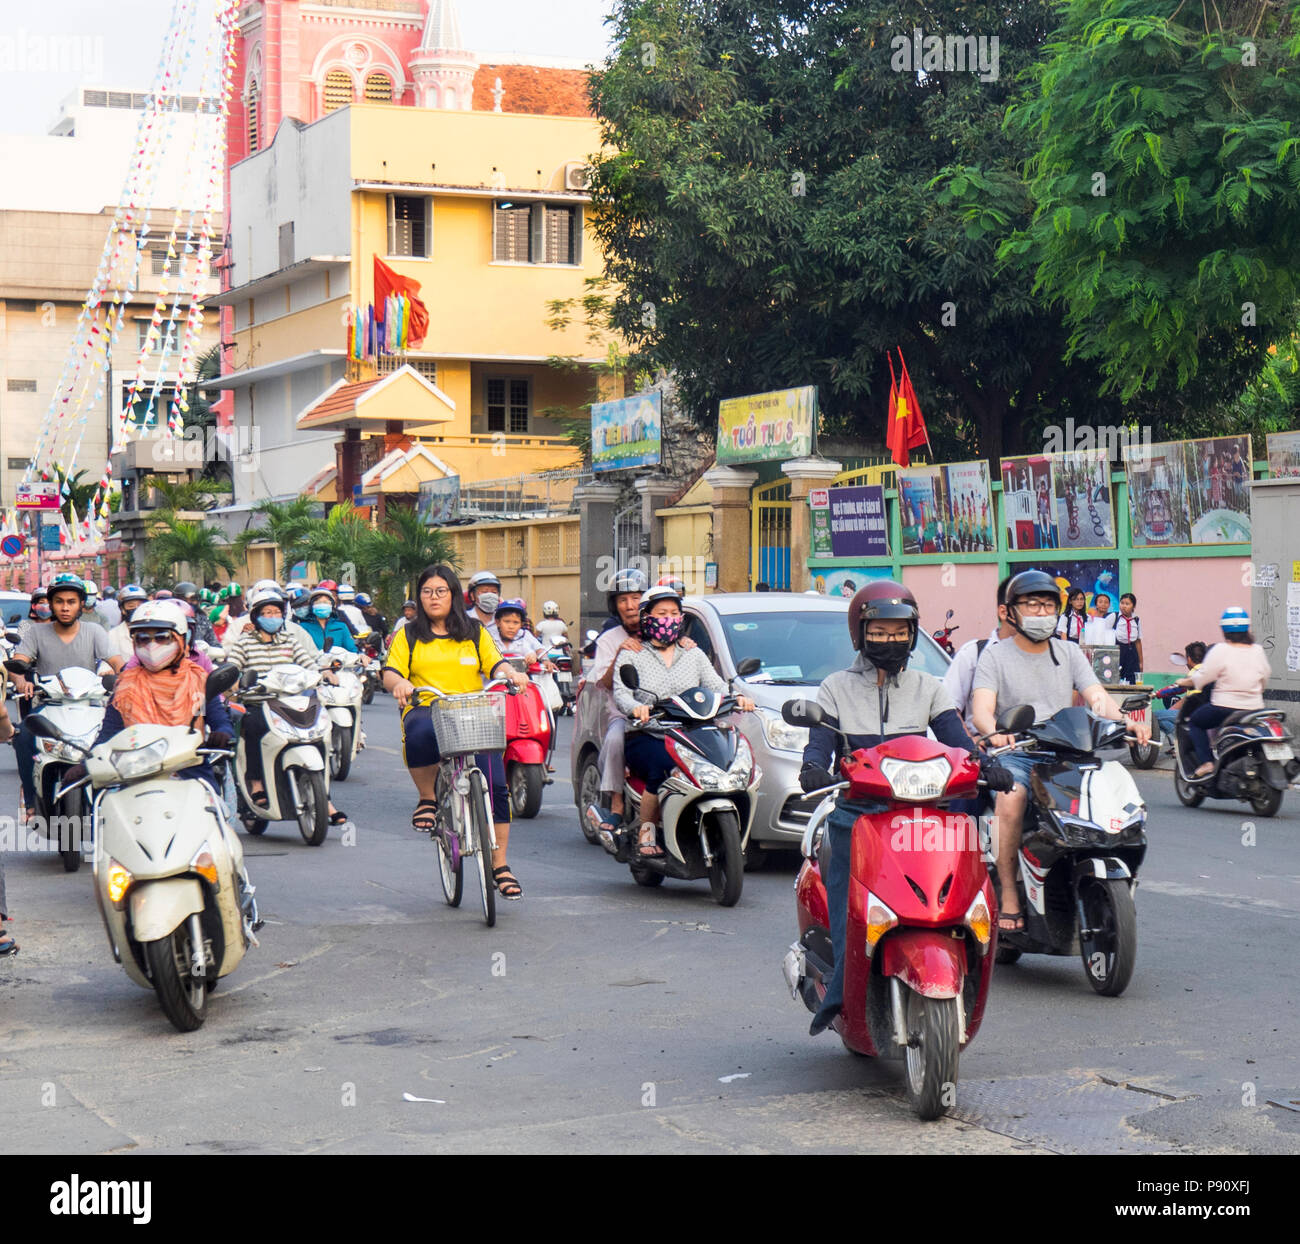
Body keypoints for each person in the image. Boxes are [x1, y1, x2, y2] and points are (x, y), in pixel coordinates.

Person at [797, 580, 980, 1035]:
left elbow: (960, 744)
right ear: (860, 634)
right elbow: (818, 744)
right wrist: (814, 768)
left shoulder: (929, 688)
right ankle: (840, 984)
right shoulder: (835, 689)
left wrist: (987, 765)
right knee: (848, 898)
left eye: (900, 631)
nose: (890, 640)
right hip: (857, 814)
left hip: (920, 814)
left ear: (914, 633)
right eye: (879, 631)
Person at [970, 569, 1149, 933]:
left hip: (1068, 749)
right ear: (1012, 612)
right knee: (1011, 797)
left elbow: (1096, 695)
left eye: (1049, 604)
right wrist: (995, 732)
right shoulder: (994, 656)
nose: (1042, 612)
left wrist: (1126, 721)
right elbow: (981, 710)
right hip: (1018, 751)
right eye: (1033, 604)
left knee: (1112, 790)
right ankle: (1008, 893)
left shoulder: (1068, 652)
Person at [382, 564, 529, 899]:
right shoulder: (408, 633)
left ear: (454, 595)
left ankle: (500, 864)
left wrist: (510, 673)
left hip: (473, 711)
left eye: (441, 591)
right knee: (417, 731)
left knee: (497, 785)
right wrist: (401, 682)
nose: (434, 598)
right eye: (427, 592)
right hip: (428, 707)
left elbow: (496, 663)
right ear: (419, 597)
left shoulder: (474, 630)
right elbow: (389, 671)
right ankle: (427, 799)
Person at [612, 586, 755, 860]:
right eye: (662, 613)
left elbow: (715, 686)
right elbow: (621, 694)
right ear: (646, 617)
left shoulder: (694, 654)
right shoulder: (632, 654)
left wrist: (738, 698)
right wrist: (637, 708)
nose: (669, 618)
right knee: (661, 767)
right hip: (649, 734)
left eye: (675, 613)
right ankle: (647, 830)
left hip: (692, 734)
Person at [224, 584, 348, 825]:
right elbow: (234, 669)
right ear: (256, 616)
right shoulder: (244, 642)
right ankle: (256, 781)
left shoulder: (290, 639)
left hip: (292, 701)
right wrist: (238, 683)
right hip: (259, 702)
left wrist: (324, 675)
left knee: (318, 734)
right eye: (266, 613)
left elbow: (308, 663)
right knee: (254, 726)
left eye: (276, 612)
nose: (272, 617)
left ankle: (325, 798)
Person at [10, 573, 125, 820]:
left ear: (81, 604)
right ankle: (31, 802)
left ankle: (116, 805)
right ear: (51, 604)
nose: (65, 607)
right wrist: (21, 680)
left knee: (117, 741)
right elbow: (18, 662)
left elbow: (117, 662)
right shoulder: (35, 633)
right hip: (48, 705)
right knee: (22, 737)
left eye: (71, 601)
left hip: (90, 706)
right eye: (59, 601)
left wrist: (124, 678)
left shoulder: (94, 631)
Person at [1174, 607, 1271, 778]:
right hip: (1255, 708)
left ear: (1224, 630)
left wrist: (1184, 681)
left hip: (1225, 708)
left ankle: (1207, 762)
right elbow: (1265, 677)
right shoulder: (1257, 650)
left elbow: (1203, 677)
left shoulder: (1220, 650)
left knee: (1195, 722)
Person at [587, 567, 649, 831]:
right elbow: (602, 681)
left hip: (663, 712)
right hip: (623, 714)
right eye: (623, 600)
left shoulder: (659, 630)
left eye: (635, 598)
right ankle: (616, 803)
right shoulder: (609, 640)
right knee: (615, 740)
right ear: (615, 606)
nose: (630, 605)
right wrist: (619, 655)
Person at [942, 575, 1013, 735]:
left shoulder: (1049, 656)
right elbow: (948, 708)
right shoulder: (974, 653)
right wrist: (970, 742)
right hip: (988, 751)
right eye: (1027, 606)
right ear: (1004, 612)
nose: (1038, 614)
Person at [1154, 641, 1207, 737]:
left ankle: (1179, 739)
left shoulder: (1193, 673)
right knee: (1165, 718)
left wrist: (1157, 694)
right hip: (1205, 712)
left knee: (1154, 716)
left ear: (1189, 659)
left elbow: (1176, 689)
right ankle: (1179, 741)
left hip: (1191, 714)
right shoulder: (1209, 671)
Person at [299, 585, 358, 653]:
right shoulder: (303, 627)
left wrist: (361, 656)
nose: (322, 605)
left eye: (325, 602)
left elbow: (352, 650)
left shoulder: (341, 627)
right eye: (318, 603)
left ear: (331, 605)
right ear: (312, 606)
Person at [107, 583, 150, 659]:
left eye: (140, 605)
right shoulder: (113, 635)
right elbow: (108, 660)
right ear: (122, 609)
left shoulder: (154, 630)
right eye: (131, 606)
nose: (137, 609)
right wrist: (106, 669)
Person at [1115, 593, 1143, 683]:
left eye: (1127, 604)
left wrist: (1141, 661)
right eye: (1122, 603)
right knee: (1117, 677)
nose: (1124, 606)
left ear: (1133, 606)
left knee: (1132, 679)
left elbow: (1138, 641)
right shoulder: (1114, 617)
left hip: (1132, 652)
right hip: (1118, 651)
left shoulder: (1136, 620)